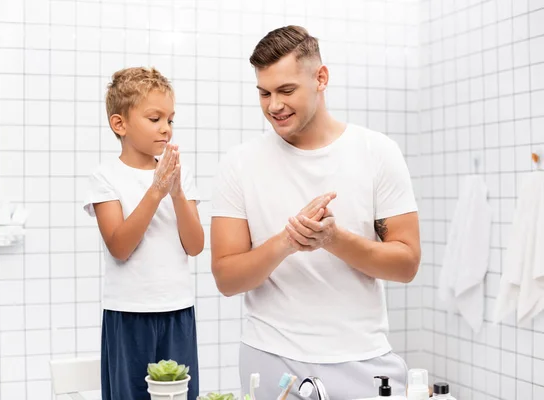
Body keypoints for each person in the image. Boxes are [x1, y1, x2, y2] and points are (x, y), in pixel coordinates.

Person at [210, 26, 421, 399]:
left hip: (362, 359)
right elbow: (227, 278)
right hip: (270, 357)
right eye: (264, 93)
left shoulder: (378, 153)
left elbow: (406, 265)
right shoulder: (238, 164)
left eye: (286, 90)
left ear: (321, 78)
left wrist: (334, 240)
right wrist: (288, 241)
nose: (274, 105)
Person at [83, 67, 203, 400]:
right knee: (130, 393)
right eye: (155, 119)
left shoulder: (180, 173)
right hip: (129, 312)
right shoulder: (106, 176)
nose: (166, 128)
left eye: (170, 119)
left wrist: (177, 192)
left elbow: (194, 246)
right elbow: (120, 247)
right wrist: (156, 191)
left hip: (177, 310)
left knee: (180, 394)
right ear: (120, 124)